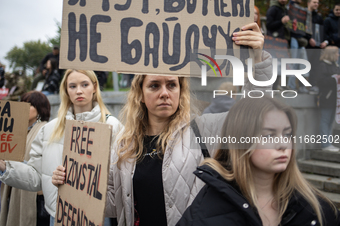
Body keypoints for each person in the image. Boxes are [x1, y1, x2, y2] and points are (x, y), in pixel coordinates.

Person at [48, 23, 273, 226]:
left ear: (180, 92)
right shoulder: (124, 145)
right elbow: (114, 206)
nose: (164, 93)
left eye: (172, 85)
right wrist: (73, 183)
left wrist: (258, 61)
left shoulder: (203, 131)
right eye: (154, 86)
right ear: (140, 94)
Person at [177, 96, 340, 226]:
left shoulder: (315, 207)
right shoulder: (205, 211)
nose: (283, 144)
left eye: (287, 134)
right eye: (269, 135)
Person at [0, 70, 122, 226]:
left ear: (94, 87)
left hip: (98, 217)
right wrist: (5, 165)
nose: (79, 90)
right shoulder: (49, 130)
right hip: (58, 216)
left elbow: (123, 179)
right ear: (66, 91)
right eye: (72, 86)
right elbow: (35, 177)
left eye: (84, 84)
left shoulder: (114, 126)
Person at [0, 91, 51, 226]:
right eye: (22, 103)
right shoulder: (19, 131)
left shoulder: (45, 129)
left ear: (40, 109)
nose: (24, 107)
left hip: (35, 197)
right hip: (15, 188)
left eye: (30, 105)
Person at [318, 46, 340, 152]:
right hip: (326, 97)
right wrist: (334, 78)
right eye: (336, 53)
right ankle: (325, 144)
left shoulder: (335, 65)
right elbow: (321, 81)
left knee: (331, 121)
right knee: (325, 120)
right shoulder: (323, 65)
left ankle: (328, 143)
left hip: (334, 98)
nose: (338, 55)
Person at [287, 0, 310, 93]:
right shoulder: (289, 8)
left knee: (303, 63)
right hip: (293, 38)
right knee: (293, 62)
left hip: (301, 39)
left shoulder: (302, 10)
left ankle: (301, 86)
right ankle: (291, 86)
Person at [306, 0, 328, 94]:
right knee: (305, 65)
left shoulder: (319, 17)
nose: (316, 4)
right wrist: (309, 38)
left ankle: (313, 85)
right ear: (308, 3)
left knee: (315, 66)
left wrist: (324, 42)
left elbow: (322, 31)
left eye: (317, 3)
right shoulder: (304, 15)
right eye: (314, 2)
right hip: (307, 46)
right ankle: (303, 86)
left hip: (317, 47)